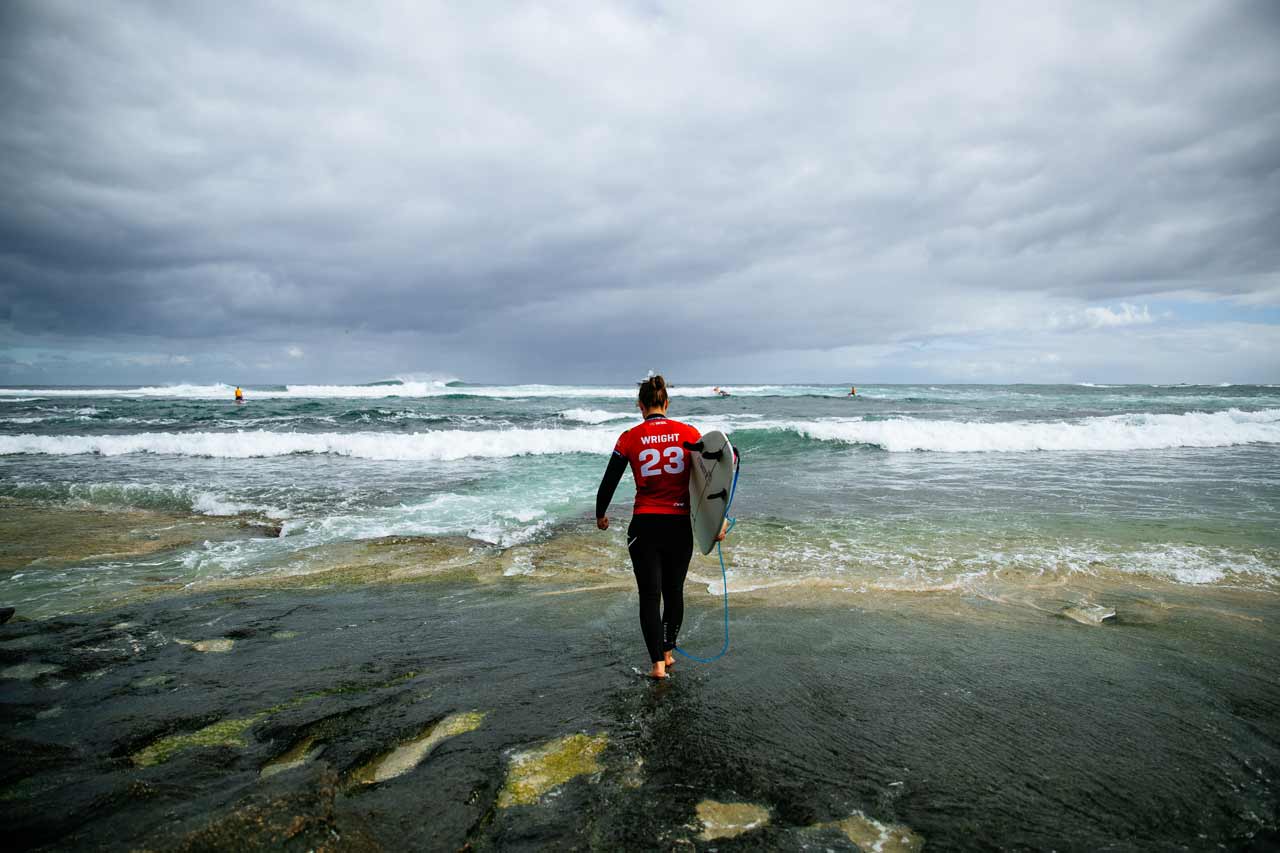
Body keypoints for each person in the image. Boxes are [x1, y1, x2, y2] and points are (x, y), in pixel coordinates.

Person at [596, 374, 723, 679]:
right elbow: (710, 479)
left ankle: (656, 666)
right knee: (674, 591)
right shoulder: (689, 433)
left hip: (645, 527)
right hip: (678, 527)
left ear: (641, 406)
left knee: (650, 596)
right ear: (666, 403)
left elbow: (609, 480)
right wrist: (716, 520)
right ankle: (668, 652)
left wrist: (601, 513)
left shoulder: (629, 437)